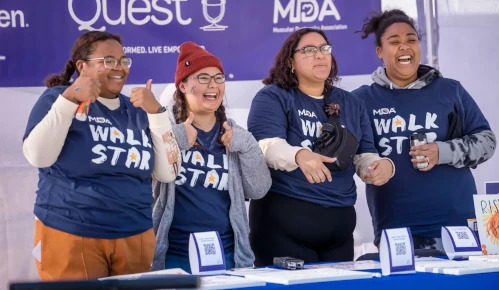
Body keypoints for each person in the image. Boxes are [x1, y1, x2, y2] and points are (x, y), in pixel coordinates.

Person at [22, 31, 181, 280]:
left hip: (135, 234)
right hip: (71, 232)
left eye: (123, 60)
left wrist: (157, 113)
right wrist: (70, 98)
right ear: (82, 66)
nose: (119, 68)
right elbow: (38, 157)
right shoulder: (58, 98)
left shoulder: (139, 111)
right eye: (108, 61)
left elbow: (168, 173)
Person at [246, 28, 395, 266]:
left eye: (325, 49)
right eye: (309, 50)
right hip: (284, 227)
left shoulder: (352, 103)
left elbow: (364, 154)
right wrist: (300, 155)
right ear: (290, 61)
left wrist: (379, 166)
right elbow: (265, 147)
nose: (320, 55)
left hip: (339, 230)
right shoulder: (273, 97)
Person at [352, 9, 497, 250]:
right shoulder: (361, 100)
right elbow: (354, 155)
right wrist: (368, 168)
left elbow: (487, 141)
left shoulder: (450, 90)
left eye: (411, 40)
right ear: (380, 52)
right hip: (397, 230)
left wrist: (443, 152)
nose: (405, 47)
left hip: (457, 226)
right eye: (394, 42)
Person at [151, 42, 271, 273]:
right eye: (203, 78)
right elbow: (148, 184)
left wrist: (245, 146)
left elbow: (258, 190)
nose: (213, 85)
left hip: (228, 254)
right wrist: (175, 139)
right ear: (183, 86)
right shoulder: (163, 131)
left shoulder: (236, 135)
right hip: (174, 255)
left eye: (219, 78)